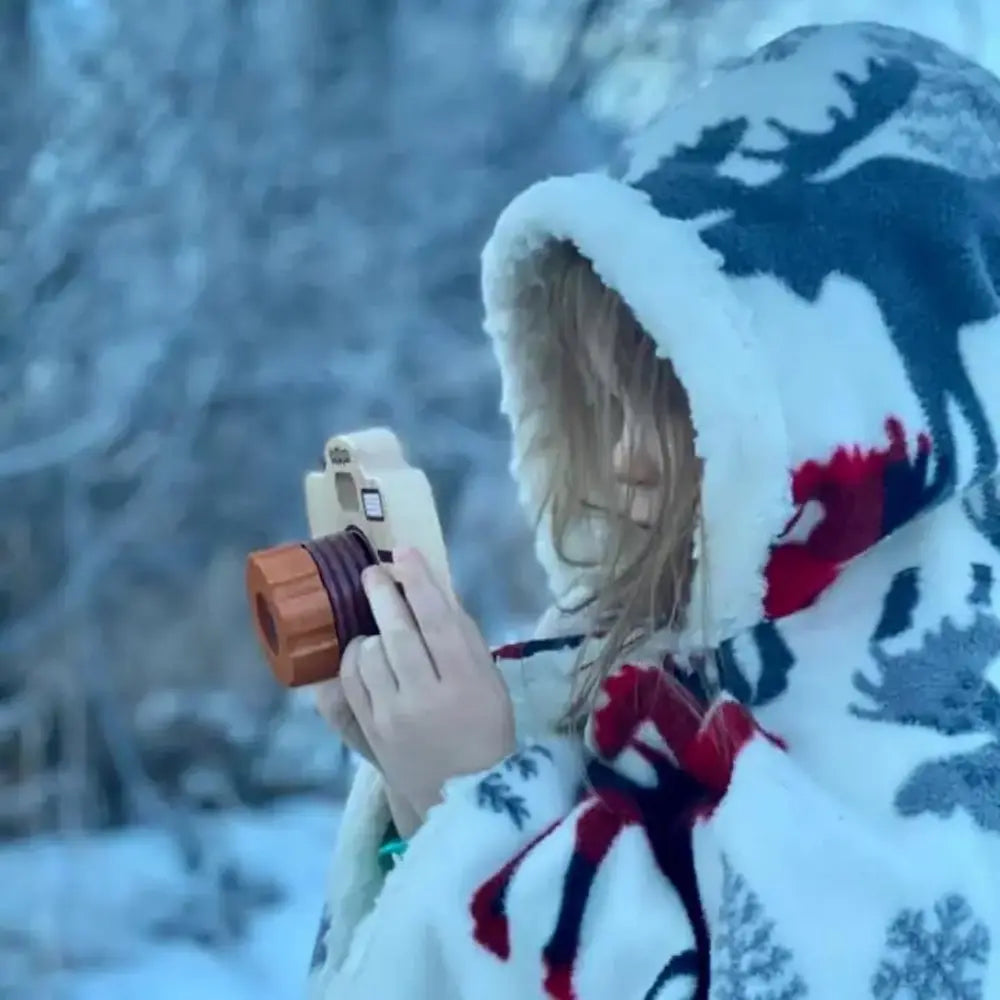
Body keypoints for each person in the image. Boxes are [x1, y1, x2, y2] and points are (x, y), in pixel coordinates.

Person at [307, 21, 1000, 1000]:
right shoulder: (656, 631)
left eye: (682, 400)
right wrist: (429, 771)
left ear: (851, 384)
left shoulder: (941, 704)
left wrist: (467, 800)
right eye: (603, 403)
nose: (628, 457)